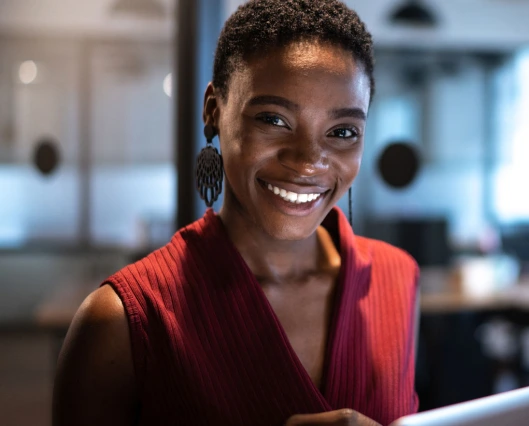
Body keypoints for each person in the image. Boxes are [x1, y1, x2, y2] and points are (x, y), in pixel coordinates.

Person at [52, 1, 420, 425]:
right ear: (213, 110)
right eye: (274, 119)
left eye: (342, 132)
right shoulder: (124, 321)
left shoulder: (397, 280)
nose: (308, 161)